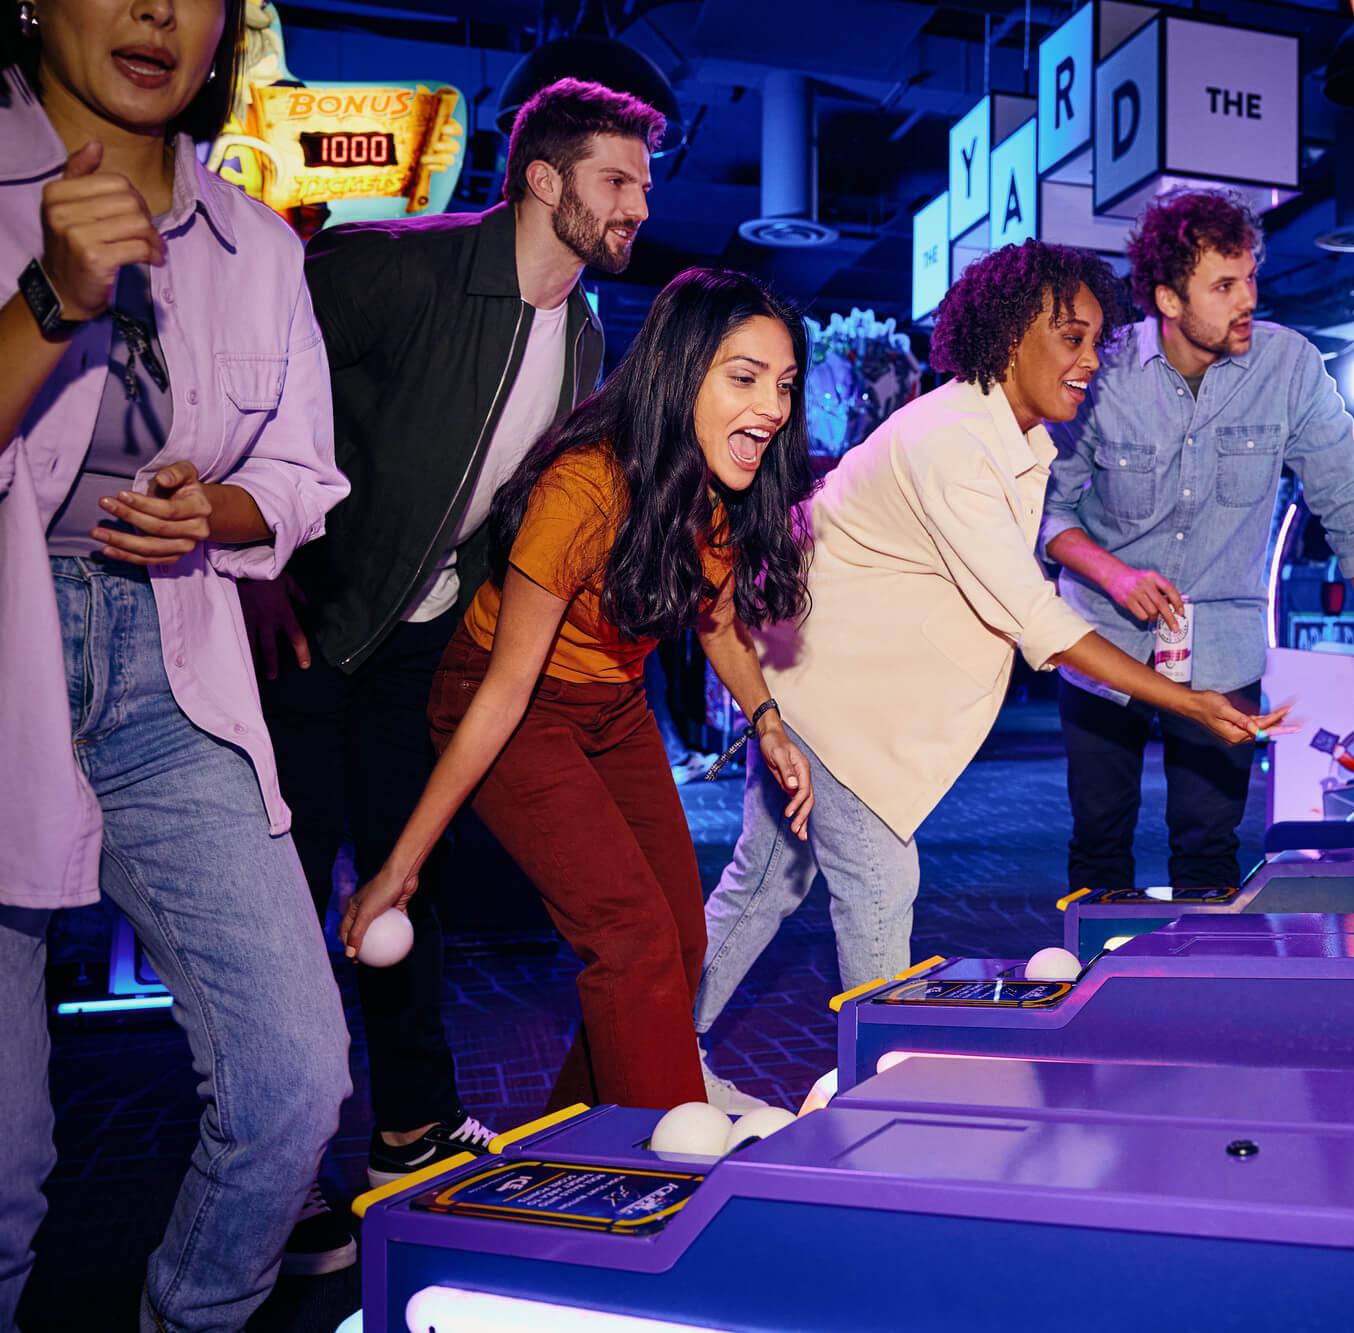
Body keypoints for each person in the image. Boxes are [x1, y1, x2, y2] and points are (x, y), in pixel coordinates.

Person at [694, 241, 1288, 1111]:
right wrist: (1188, 701)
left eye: (1097, 341)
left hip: (829, 689)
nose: (1090, 360)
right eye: (1072, 338)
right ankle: (882, 1100)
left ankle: (661, 1041)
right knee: (877, 883)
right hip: (828, 701)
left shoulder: (1011, 437)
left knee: (769, 880)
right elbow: (1033, 617)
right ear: (1011, 336)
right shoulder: (950, 440)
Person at [237, 78, 665, 1203]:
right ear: (542, 179)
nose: (637, 205)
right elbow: (249, 388)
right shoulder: (398, 266)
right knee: (271, 916)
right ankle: (272, 1185)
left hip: (423, 639)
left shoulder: (580, 331)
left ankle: (410, 1130)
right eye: (616, 180)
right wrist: (257, 569)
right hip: (307, 632)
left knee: (400, 885)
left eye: (644, 184)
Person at [0, 0, 353, 1319]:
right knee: (5, 1171)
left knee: (293, 1077)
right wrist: (51, 297)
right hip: (7, 655)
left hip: (170, 662)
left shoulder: (256, 241)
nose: (154, 9)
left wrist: (219, 508)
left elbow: (300, 471)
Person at [339, 268, 817, 1114]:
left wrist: (768, 720)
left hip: (610, 705)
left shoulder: (713, 490)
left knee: (680, 932)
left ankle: (582, 1136)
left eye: (782, 384)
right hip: (507, 702)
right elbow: (501, 693)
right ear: (680, 373)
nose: (773, 407)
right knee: (630, 937)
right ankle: (668, 1174)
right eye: (744, 378)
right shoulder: (585, 488)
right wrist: (397, 868)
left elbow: (714, 623)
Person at [1041, 189, 1354, 893]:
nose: (1247, 301)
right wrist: (1112, 573)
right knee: (1098, 847)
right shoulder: (1102, 370)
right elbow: (1045, 513)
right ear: (1168, 299)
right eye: (1224, 285)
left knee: (1209, 853)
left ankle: (1195, 1001)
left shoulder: (1288, 367)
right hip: (1102, 641)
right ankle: (1096, 999)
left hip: (1221, 647)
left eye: (1250, 279)